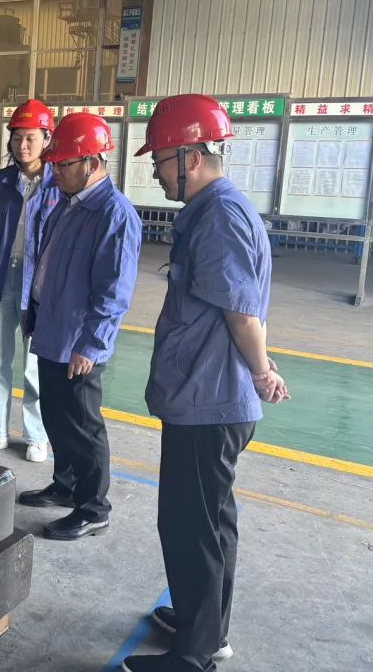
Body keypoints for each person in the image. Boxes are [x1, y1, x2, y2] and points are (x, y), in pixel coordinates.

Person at [120, 95, 289, 672]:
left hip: (209, 400)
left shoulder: (219, 217)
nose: (156, 172)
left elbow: (241, 313)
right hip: (205, 395)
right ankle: (203, 620)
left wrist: (262, 370)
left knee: (192, 526)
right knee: (209, 522)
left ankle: (196, 652)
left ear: (191, 157)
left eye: (160, 161)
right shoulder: (215, 211)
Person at [18, 113, 141, 540]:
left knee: (83, 424)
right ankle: (66, 484)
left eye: (64, 164)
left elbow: (114, 290)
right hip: (52, 332)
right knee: (56, 415)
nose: (55, 171)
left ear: (93, 162)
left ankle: (93, 507)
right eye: (54, 164)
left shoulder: (113, 214)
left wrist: (91, 344)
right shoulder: (70, 203)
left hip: (78, 343)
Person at [0, 99, 60, 461]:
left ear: (47, 139)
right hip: (3, 276)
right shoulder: (3, 181)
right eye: (17, 138)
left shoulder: (58, 182)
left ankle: (37, 436)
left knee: (34, 363)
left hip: (40, 283)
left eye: (31, 138)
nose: (23, 145)